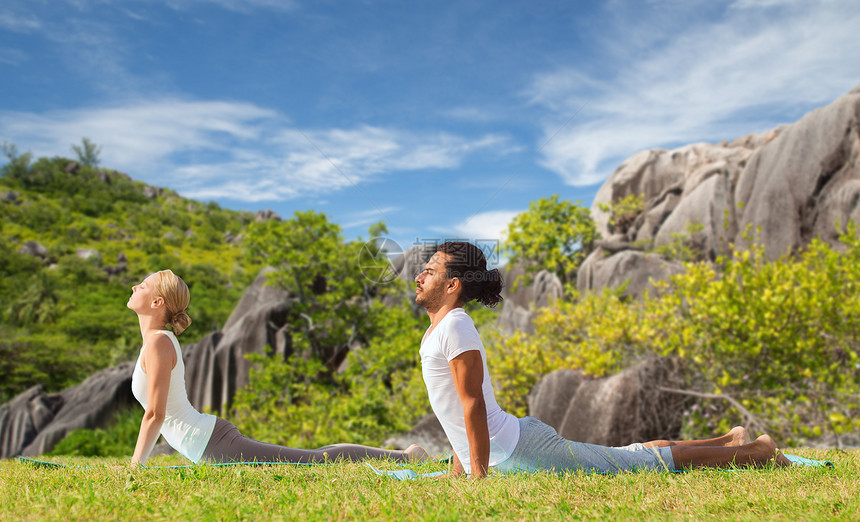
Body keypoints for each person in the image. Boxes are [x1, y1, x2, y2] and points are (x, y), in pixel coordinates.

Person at [413, 241, 791, 479]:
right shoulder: (439, 330)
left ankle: (757, 452)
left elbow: (472, 403)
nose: (419, 276)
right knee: (626, 457)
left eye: (430, 271)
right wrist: (461, 468)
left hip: (520, 451)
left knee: (638, 467)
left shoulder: (457, 325)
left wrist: (477, 477)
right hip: (509, 449)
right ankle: (729, 439)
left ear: (452, 285)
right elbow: (453, 411)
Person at [127, 269, 427, 467]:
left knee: (313, 460)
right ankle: (403, 456)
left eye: (141, 285)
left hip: (212, 444)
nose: (133, 286)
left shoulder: (158, 343)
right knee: (311, 459)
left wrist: (134, 468)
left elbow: (155, 413)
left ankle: (405, 456)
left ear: (157, 301)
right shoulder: (155, 342)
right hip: (207, 442)